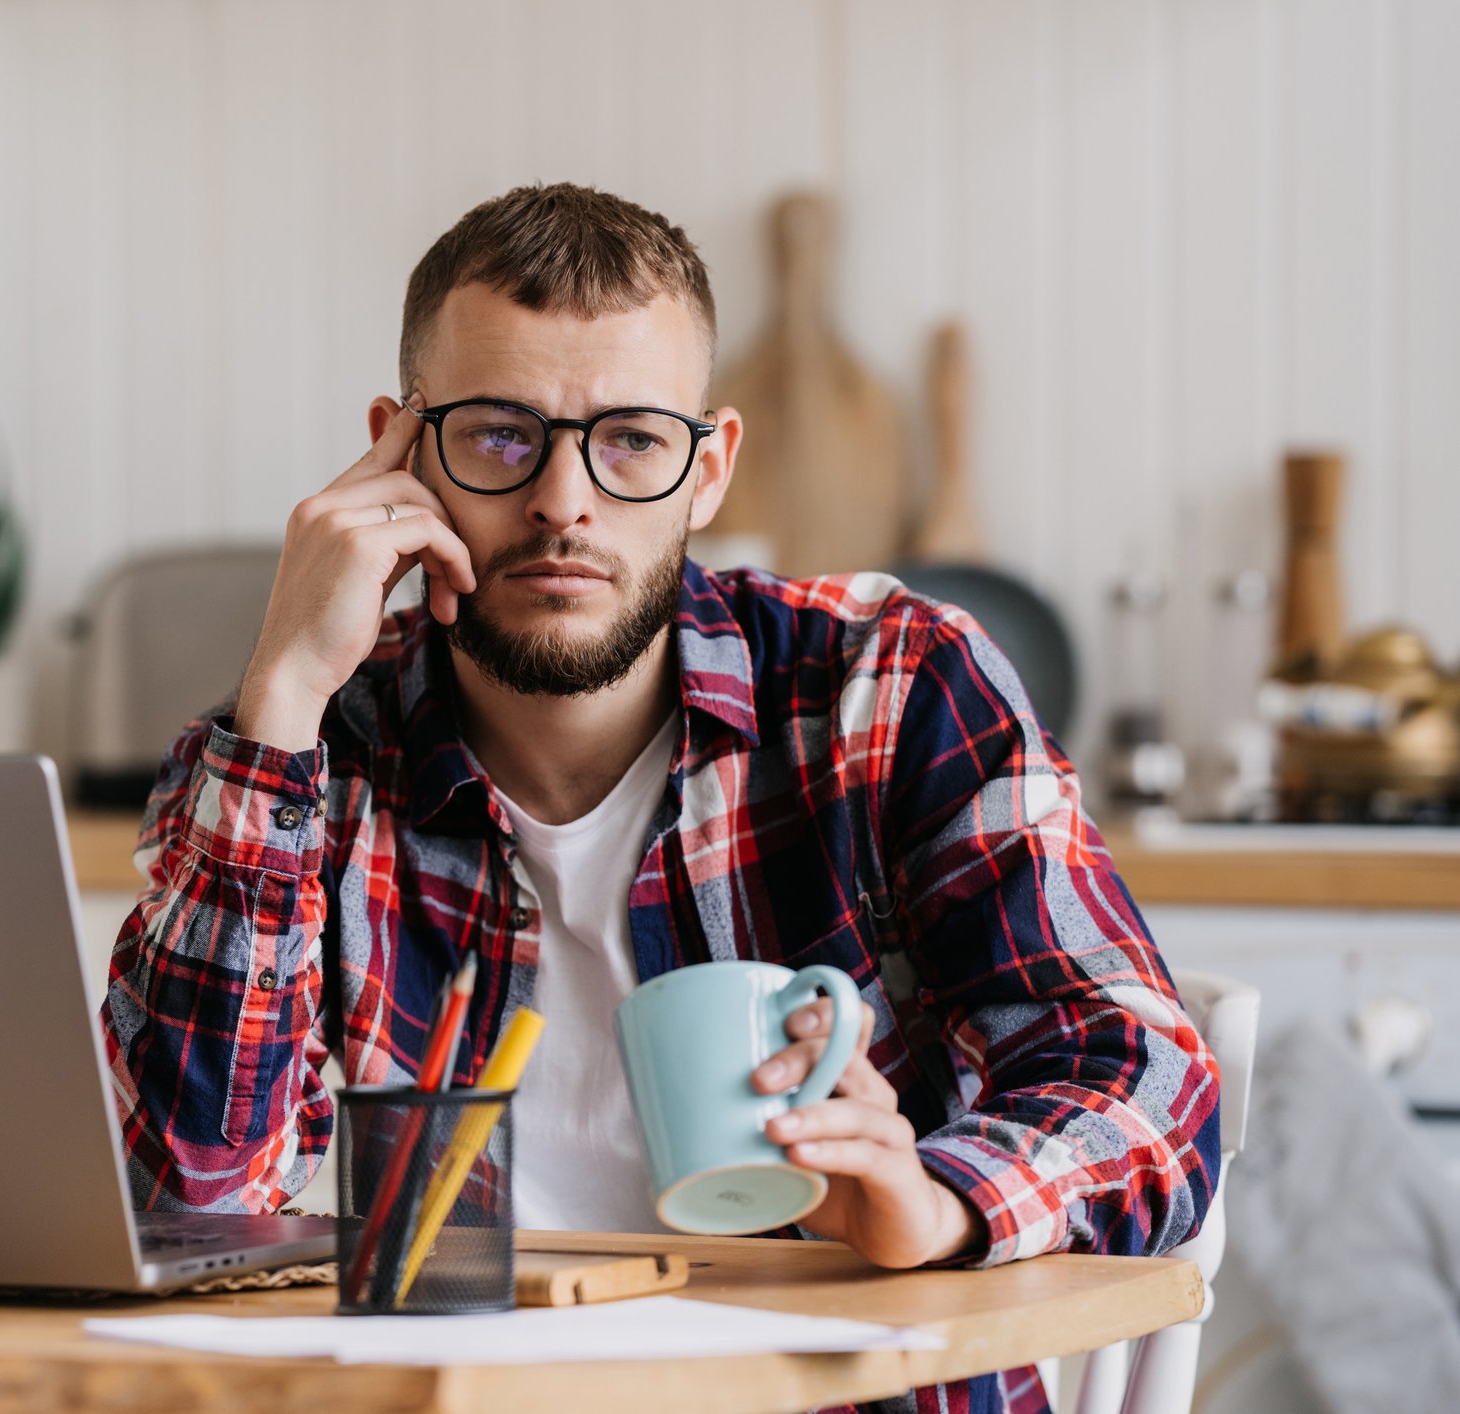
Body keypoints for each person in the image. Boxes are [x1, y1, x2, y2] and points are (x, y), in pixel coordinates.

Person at [100, 183, 1219, 1414]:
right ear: (399, 451)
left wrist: (940, 1199)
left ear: (709, 470)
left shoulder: (888, 684)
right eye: (498, 434)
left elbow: (1143, 1073)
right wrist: (284, 696)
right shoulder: (302, 753)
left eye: (631, 437)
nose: (564, 503)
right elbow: (191, 1199)